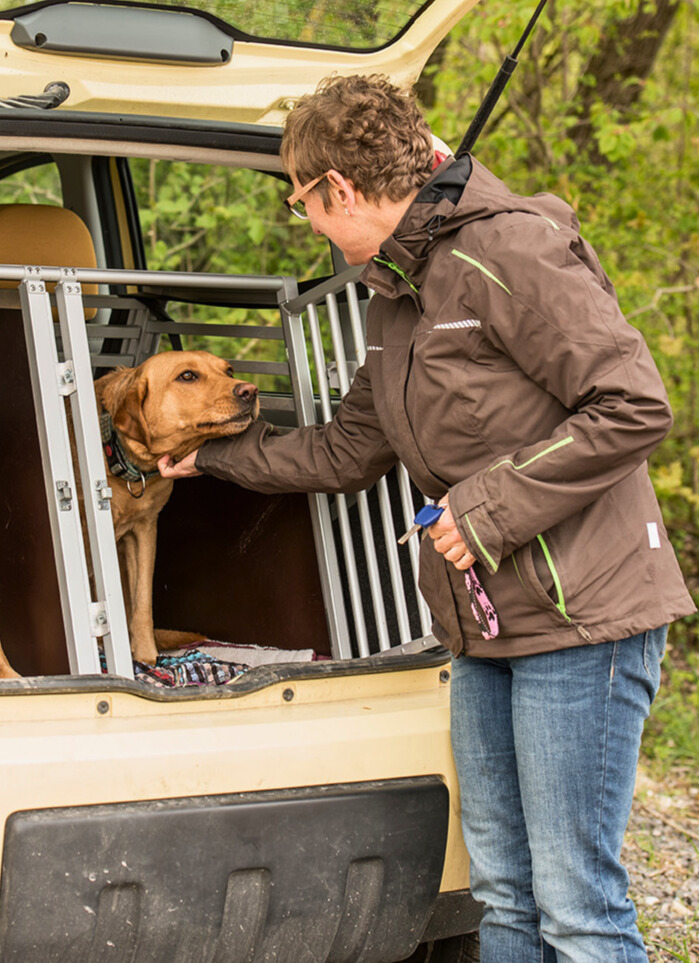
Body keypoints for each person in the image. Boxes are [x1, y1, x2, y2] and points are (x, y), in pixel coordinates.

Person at [158, 74, 695, 962]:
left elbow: (631, 405)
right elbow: (345, 450)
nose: (311, 227)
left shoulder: (509, 250)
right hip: (483, 626)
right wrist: (210, 459)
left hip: (582, 622)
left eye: (303, 205)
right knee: (503, 897)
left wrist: (482, 510)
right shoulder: (394, 295)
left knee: (575, 906)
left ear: (339, 188)